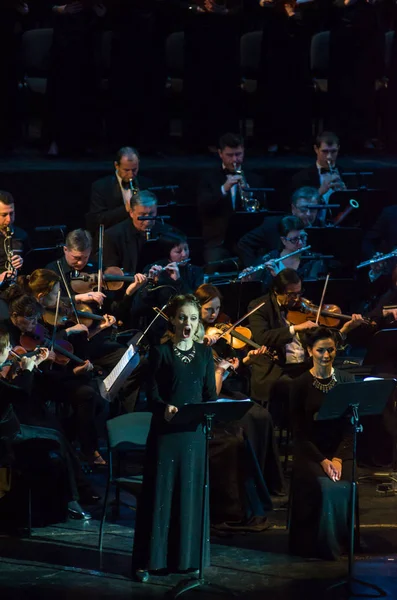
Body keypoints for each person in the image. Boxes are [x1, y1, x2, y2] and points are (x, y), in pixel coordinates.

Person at [132, 294, 217, 580]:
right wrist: (163, 407)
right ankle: (150, 560)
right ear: (173, 320)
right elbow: (151, 393)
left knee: (189, 494)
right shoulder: (161, 352)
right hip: (166, 432)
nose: (188, 324)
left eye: (193, 318)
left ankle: (186, 560)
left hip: (193, 435)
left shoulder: (205, 354)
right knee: (160, 494)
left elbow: (209, 396)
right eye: (183, 317)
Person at [195, 283, 285, 496]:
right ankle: (248, 484)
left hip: (225, 388)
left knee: (263, 416)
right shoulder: (194, 336)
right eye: (208, 309)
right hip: (208, 395)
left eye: (217, 309)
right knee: (249, 419)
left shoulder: (219, 334)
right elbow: (210, 381)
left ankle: (264, 480)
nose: (214, 314)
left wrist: (245, 360)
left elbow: (231, 365)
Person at [0, 326, 96, 521]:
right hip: (8, 434)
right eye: (7, 347)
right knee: (56, 437)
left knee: (57, 435)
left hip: (9, 427)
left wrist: (33, 365)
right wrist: (27, 370)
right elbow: (20, 395)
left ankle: (72, 497)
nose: (10, 351)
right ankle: (72, 499)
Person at [247, 269, 364, 416]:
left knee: (339, 381)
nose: (297, 299)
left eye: (299, 293)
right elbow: (262, 337)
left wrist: (345, 330)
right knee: (305, 388)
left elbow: (322, 341)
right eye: (291, 295)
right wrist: (295, 328)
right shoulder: (260, 307)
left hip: (305, 366)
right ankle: (302, 432)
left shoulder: (304, 308)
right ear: (277, 292)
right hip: (278, 370)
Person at [289, 326, 355, 560]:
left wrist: (337, 457)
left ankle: (345, 543)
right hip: (310, 451)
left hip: (339, 450)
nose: (326, 355)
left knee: (346, 484)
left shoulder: (346, 380)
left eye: (331, 350)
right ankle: (321, 546)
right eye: (320, 351)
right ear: (309, 351)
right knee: (326, 487)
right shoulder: (299, 384)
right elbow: (299, 432)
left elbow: (349, 427)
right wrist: (323, 460)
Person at [197, 132, 266, 263]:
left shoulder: (255, 178)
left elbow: (261, 210)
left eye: (238, 154)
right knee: (213, 272)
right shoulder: (208, 178)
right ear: (220, 153)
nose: (235, 160)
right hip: (218, 241)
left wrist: (249, 193)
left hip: (247, 240)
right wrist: (224, 189)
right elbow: (203, 208)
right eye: (230, 155)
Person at [182, 2, 242, 151]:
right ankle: (198, 139)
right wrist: (195, 8)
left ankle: (224, 141)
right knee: (199, 86)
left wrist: (229, 10)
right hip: (198, 32)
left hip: (225, 33)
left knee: (223, 88)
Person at [237, 187, 321, 267]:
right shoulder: (273, 224)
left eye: (313, 209)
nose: (308, 214)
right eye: (303, 209)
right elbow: (244, 244)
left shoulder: (322, 228)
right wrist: (256, 270)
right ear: (293, 208)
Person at [240, 216, 327, 290]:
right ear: (283, 240)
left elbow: (309, 292)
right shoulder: (268, 259)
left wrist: (280, 277)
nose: (300, 243)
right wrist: (249, 282)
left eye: (303, 237)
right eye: (294, 239)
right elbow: (260, 293)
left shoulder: (313, 261)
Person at [103, 190, 175, 275]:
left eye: (151, 213)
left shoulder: (167, 232)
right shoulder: (113, 236)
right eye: (142, 215)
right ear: (131, 213)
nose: (148, 221)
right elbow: (112, 274)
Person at [87, 147, 153, 234]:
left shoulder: (146, 183)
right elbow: (97, 219)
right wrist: (126, 208)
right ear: (116, 166)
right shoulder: (101, 186)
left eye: (134, 170)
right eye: (126, 170)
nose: (131, 175)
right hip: (113, 237)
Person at [0, 191, 27, 286]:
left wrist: (22, 263)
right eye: (4, 215)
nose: (9, 219)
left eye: (11, 214)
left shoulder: (22, 235)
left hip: (17, 290)